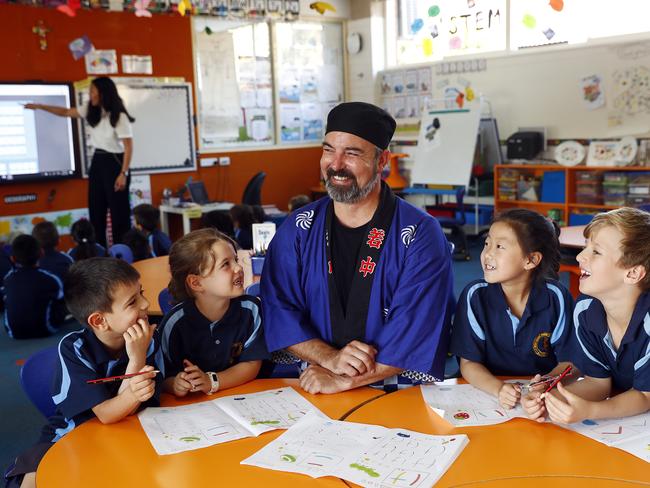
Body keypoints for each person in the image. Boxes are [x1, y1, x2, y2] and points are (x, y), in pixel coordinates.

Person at [261, 102, 454, 394]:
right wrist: (330, 359)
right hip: (316, 378)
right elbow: (279, 308)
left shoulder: (418, 234)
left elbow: (418, 326)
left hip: (397, 387)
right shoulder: (300, 228)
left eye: (352, 153)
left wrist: (345, 380)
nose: (336, 165)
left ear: (382, 160)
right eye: (328, 150)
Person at [4, 258, 161, 488]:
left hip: (124, 434)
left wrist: (174, 382)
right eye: (132, 302)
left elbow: (146, 400)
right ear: (99, 320)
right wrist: (137, 358)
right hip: (69, 436)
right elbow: (106, 414)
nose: (146, 304)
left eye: (142, 293)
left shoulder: (148, 337)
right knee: (30, 481)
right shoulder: (74, 348)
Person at [525, 208, 650, 424]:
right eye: (585, 247)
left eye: (596, 252)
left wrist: (590, 411)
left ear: (632, 273)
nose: (580, 256)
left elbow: (644, 397)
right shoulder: (585, 310)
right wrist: (550, 398)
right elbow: (598, 382)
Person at [450, 209, 575, 410]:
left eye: (499, 246)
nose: (487, 254)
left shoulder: (557, 298)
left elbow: (571, 363)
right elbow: (469, 364)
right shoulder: (475, 296)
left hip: (540, 398)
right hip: (486, 393)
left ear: (531, 260)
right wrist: (499, 389)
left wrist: (544, 384)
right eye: (487, 243)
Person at [25, 77, 135, 248]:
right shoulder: (91, 110)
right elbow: (65, 112)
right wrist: (40, 107)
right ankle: (98, 251)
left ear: (103, 93)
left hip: (115, 163)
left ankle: (123, 252)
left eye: (93, 91)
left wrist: (123, 173)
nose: (90, 95)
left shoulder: (119, 116)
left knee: (119, 212)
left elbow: (128, 146)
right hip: (98, 161)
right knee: (96, 209)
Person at [160, 228, 268, 397]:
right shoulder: (173, 325)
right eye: (226, 264)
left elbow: (252, 364)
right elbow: (161, 374)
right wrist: (174, 384)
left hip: (244, 398)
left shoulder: (252, 310)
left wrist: (212, 381)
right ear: (196, 283)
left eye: (236, 260)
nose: (238, 267)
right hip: (193, 409)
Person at [2, 235, 66, 339]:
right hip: (46, 330)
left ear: (12, 259)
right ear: (41, 253)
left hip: (14, 333)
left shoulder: (7, 279)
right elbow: (62, 300)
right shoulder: (50, 278)